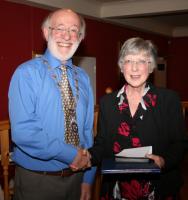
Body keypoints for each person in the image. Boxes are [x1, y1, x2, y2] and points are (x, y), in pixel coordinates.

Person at [9, 8, 96, 200]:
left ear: (80, 38)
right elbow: (23, 132)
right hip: (38, 182)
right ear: (46, 32)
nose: (67, 35)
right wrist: (70, 154)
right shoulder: (26, 74)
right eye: (60, 28)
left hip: (77, 179)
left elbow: (88, 132)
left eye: (74, 30)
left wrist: (87, 179)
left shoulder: (83, 78)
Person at [89, 37, 187, 199]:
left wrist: (164, 161)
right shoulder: (107, 102)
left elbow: (180, 143)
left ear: (151, 67)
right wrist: (87, 157)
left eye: (142, 61)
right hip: (117, 189)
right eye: (128, 61)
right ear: (121, 67)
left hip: (159, 189)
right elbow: (102, 144)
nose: (134, 68)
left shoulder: (169, 100)